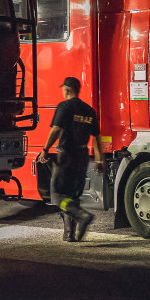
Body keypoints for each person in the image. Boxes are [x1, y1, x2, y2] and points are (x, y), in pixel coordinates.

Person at [37, 77, 104, 242]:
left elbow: (56, 129)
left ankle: (82, 216)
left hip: (67, 155)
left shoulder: (64, 107)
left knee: (58, 196)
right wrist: (100, 159)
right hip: (82, 156)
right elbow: (96, 137)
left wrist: (45, 150)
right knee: (72, 196)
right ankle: (69, 234)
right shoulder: (89, 110)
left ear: (67, 89)